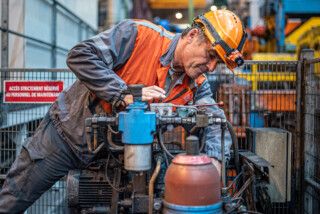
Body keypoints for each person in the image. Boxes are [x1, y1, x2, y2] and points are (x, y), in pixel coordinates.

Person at [0, 10, 247, 213]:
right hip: (66, 137)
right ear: (192, 35)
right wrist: (123, 93)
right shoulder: (139, 35)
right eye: (211, 55)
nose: (212, 67)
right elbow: (80, 55)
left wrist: (213, 163)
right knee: (13, 199)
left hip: (120, 159)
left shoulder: (197, 84)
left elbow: (216, 120)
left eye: (219, 63)